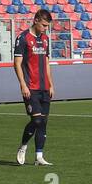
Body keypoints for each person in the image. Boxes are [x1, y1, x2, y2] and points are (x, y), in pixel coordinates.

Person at [14, 9, 55, 166]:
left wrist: (51, 84)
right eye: (44, 25)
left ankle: (39, 156)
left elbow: (46, 62)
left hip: (44, 87)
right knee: (36, 120)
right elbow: (17, 63)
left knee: (43, 122)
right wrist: (22, 84)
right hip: (30, 87)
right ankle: (23, 146)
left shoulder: (45, 39)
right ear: (36, 20)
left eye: (47, 26)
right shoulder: (23, 38)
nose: (45, 28)